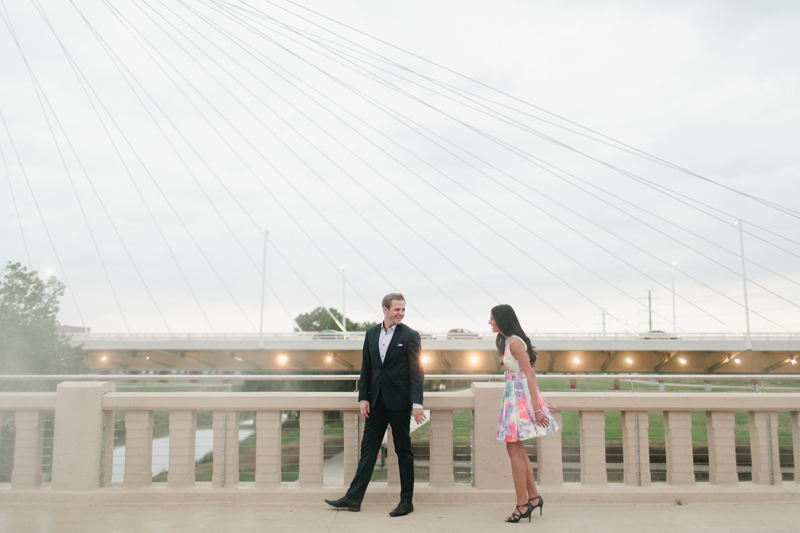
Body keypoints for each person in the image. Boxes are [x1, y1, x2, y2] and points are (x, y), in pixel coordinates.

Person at [325, 293, 425, 517]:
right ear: (385, 309)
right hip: (376, 403)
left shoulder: (410, 335)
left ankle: (406, 501)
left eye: (403, 310)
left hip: (400, 403)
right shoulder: (371, 334)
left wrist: (417, 402)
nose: (400, 313)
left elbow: (416, 370)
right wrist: (363, 397)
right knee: (368, 450)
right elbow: (367, 368)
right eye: (396, 309)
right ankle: (353, 498)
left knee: (403, 451)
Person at [490, 304, 558, 524]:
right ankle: (534, 497)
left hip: (518, 399)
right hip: (513, 397)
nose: (489, 322)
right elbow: (528, 373)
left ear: (501, 320)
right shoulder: (507, 342)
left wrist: (538, 408)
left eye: (492, 318)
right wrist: (538, 399)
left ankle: (522, 504)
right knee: (517, 450)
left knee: (514, 450)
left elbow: (530, 374)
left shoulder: (516, 342)